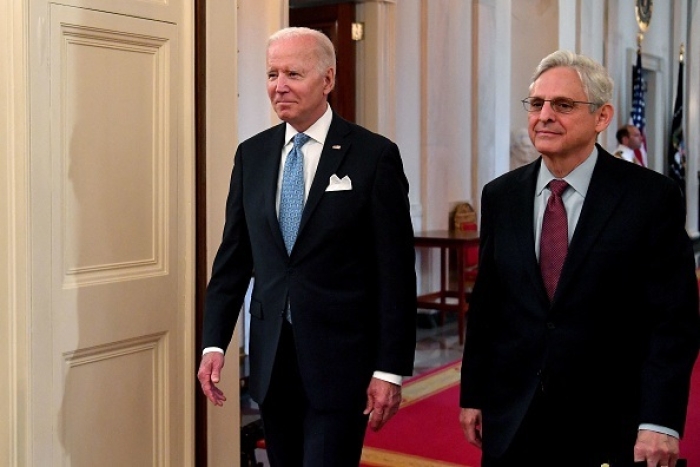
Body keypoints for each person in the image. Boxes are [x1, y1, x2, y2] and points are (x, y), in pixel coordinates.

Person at [459, 50, 700, 467]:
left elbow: (673, 321)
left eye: (563, 105)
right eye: (537, 104)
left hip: (612, 423)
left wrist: (660, 420)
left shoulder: (650, 198)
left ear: (602, 117)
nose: (545, 115)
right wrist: (474, 395)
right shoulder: (501, 195)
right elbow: (488, 306)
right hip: (513, 417)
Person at [197, 27, 417, 467]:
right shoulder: (252, 156)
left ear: (328, 80)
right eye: (272, 73)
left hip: (342, 364)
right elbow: (234, 259)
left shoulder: (373, 156)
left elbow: (394, 272)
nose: (279, 86)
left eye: (293, 73)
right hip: (272, 361)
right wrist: (214, 343)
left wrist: (388, 369)